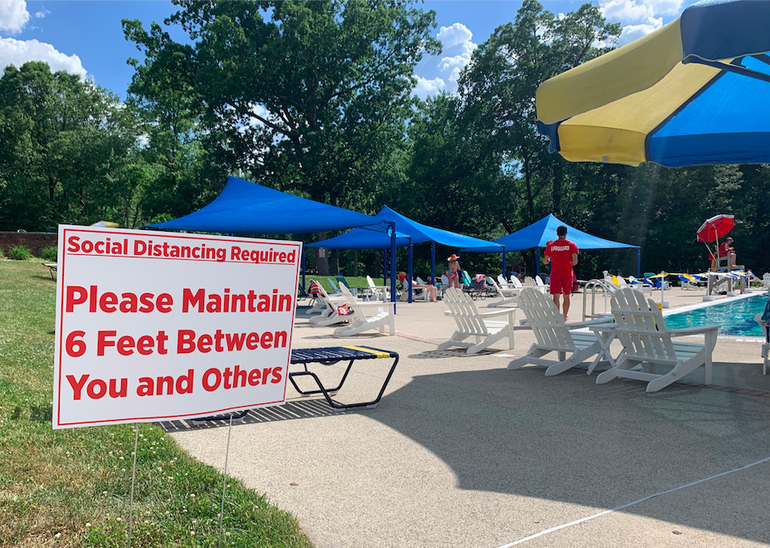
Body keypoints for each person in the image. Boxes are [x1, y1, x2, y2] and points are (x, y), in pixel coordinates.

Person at [543, 225, 578, 321]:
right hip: (567, 274)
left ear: (557, 234)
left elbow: (545, 261)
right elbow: (575, 262)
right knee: (566, 296)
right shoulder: (572, 245)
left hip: (555, 274)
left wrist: (551, 259)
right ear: (566, 233)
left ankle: (556, 316)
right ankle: (565, 316)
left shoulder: (551, 245)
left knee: (556, 296)